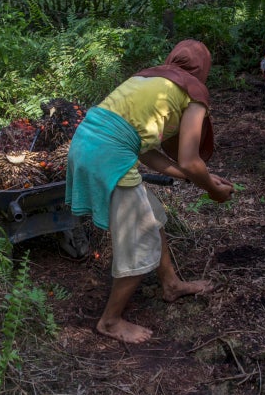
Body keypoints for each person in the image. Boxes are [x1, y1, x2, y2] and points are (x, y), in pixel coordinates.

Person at [65, 40, 235, 344]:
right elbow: (190, 159)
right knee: (140, 238)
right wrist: (212, 189)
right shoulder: (194, 92)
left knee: (152, 216)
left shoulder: (147, 78)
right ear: (202, 71)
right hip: (108, 153)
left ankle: (170, 284)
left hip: (87, 143)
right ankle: (110, 321)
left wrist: (193, 175)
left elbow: (144, 150)